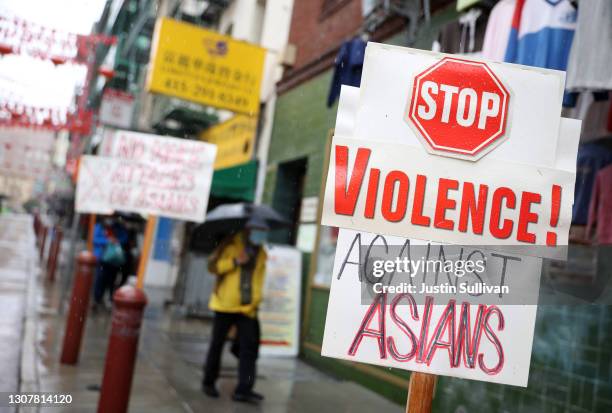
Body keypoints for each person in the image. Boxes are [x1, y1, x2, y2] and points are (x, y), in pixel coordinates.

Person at [202, 216, 269, 403]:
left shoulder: (261, 252)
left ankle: (244, 389)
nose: (261, 234)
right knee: (217, 344)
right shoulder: (229, 244)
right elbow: (212, 266)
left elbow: (258, 279)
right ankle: (208, 382)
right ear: (248, 228)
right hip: (225, 304)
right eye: (258, 230)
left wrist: (256, 301)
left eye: (263, 231)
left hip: (248, 308)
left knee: (250, 349)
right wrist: (235, 261)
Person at [92, 218, 125, 307]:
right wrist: (107, 241)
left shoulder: (117, 228)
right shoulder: (99, 227)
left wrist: (117, 240)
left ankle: (107, 298)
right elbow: (94, 239)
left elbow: (124, 238)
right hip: (101, 259)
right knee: (100, 279)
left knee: (111, 280)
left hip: (113, 261)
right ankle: (97, 298)